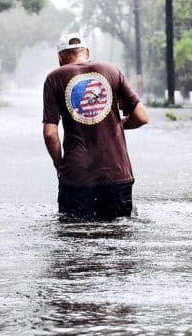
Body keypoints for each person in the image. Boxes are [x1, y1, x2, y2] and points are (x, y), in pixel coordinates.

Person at [42, 32, 149, 220]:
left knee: (74, 239)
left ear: (60, 57)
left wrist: (60, 165)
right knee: (118, 238)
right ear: (87, 52)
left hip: (77, 176)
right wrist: (113, 125)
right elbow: (141, 117)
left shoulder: (54, 78)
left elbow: (50, 133)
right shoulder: (112, 71)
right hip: (116, 173)